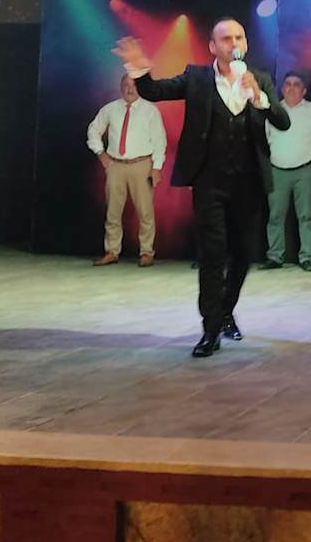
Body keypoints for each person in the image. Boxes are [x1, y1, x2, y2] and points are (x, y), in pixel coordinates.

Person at [113, 20, 290, 357]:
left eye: (239, 37)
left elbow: (283, 122)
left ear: (246, 44)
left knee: (243, 254)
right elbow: (155, 91)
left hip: (249, 182)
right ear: (212, 46)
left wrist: (259, 97)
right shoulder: (196, 77)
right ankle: (210, 330)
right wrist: (139, 67)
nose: (233, 43)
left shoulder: (260, 79)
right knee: (212, 254)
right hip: (210, 182)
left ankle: (226, 310)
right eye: (226, 38)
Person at [86, 73, 167, 268]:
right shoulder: (110, 109)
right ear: (120, 86)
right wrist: (101, 153)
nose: (130, 89)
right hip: (116, 165)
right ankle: (112, 251)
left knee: (145, 211)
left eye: (134, 85)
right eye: (126, 85)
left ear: (140, 87)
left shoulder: (150, 111)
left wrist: (157, 167)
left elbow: (159, 140)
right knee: (113, 211)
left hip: (142, 164)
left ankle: (146, 252)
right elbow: (93, 130)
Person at [264, 71, 311, 272]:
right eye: (287, 84)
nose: (291, 88)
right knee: (275, 216)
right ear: (282, 89)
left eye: (296, 84)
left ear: (304, 90)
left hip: (305, 171)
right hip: (277, 171)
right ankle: (275, 256)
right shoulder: (273, 111)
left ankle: (306, 257)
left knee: (306, 216)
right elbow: (263, 140)